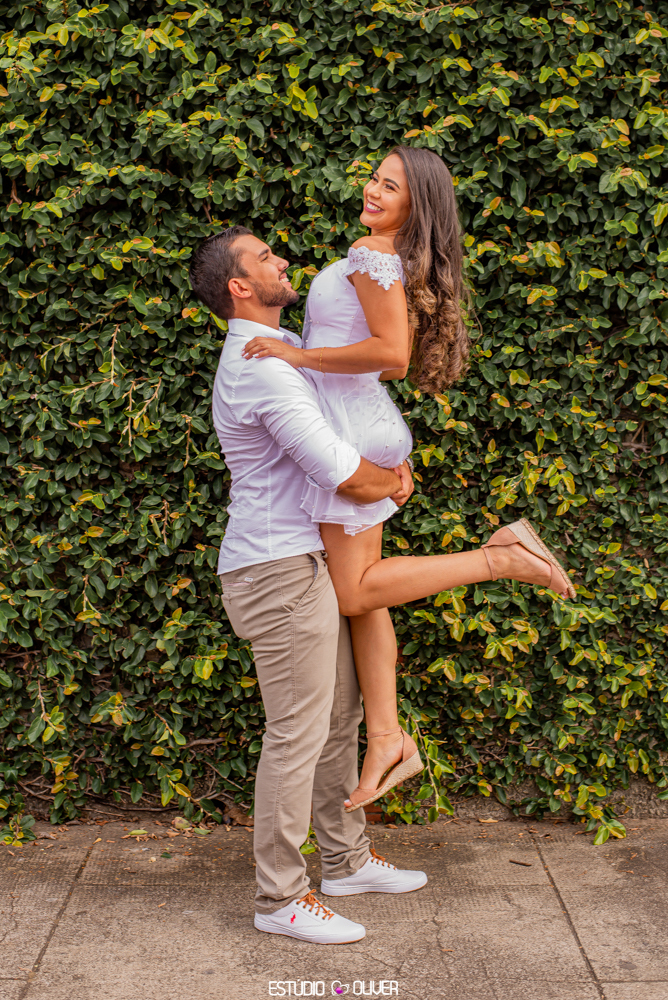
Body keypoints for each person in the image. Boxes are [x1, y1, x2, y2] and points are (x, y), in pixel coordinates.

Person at [241, 146, 577, 814]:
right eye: (374, 177)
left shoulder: (371, 254)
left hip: (349, 429)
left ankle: (500, 558)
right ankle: (388, 738)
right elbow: (389, 360)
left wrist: (297, 355)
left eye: (390, 187)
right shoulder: (388, 257)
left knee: (355, 590)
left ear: (416, 206)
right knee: (369, 596)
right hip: (362, 421)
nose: (372, 190)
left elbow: (391, 354)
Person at [189, 226, 428, 946]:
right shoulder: (260, 368)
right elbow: (341, 472)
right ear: (239, 287)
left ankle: (345, 861)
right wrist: (394, 483)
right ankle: (280, 896)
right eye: (265, 257)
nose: (282, 260)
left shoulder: (283, 348)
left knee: (338, 718)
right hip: (275, 570)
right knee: (296, 732)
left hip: (301, 563)